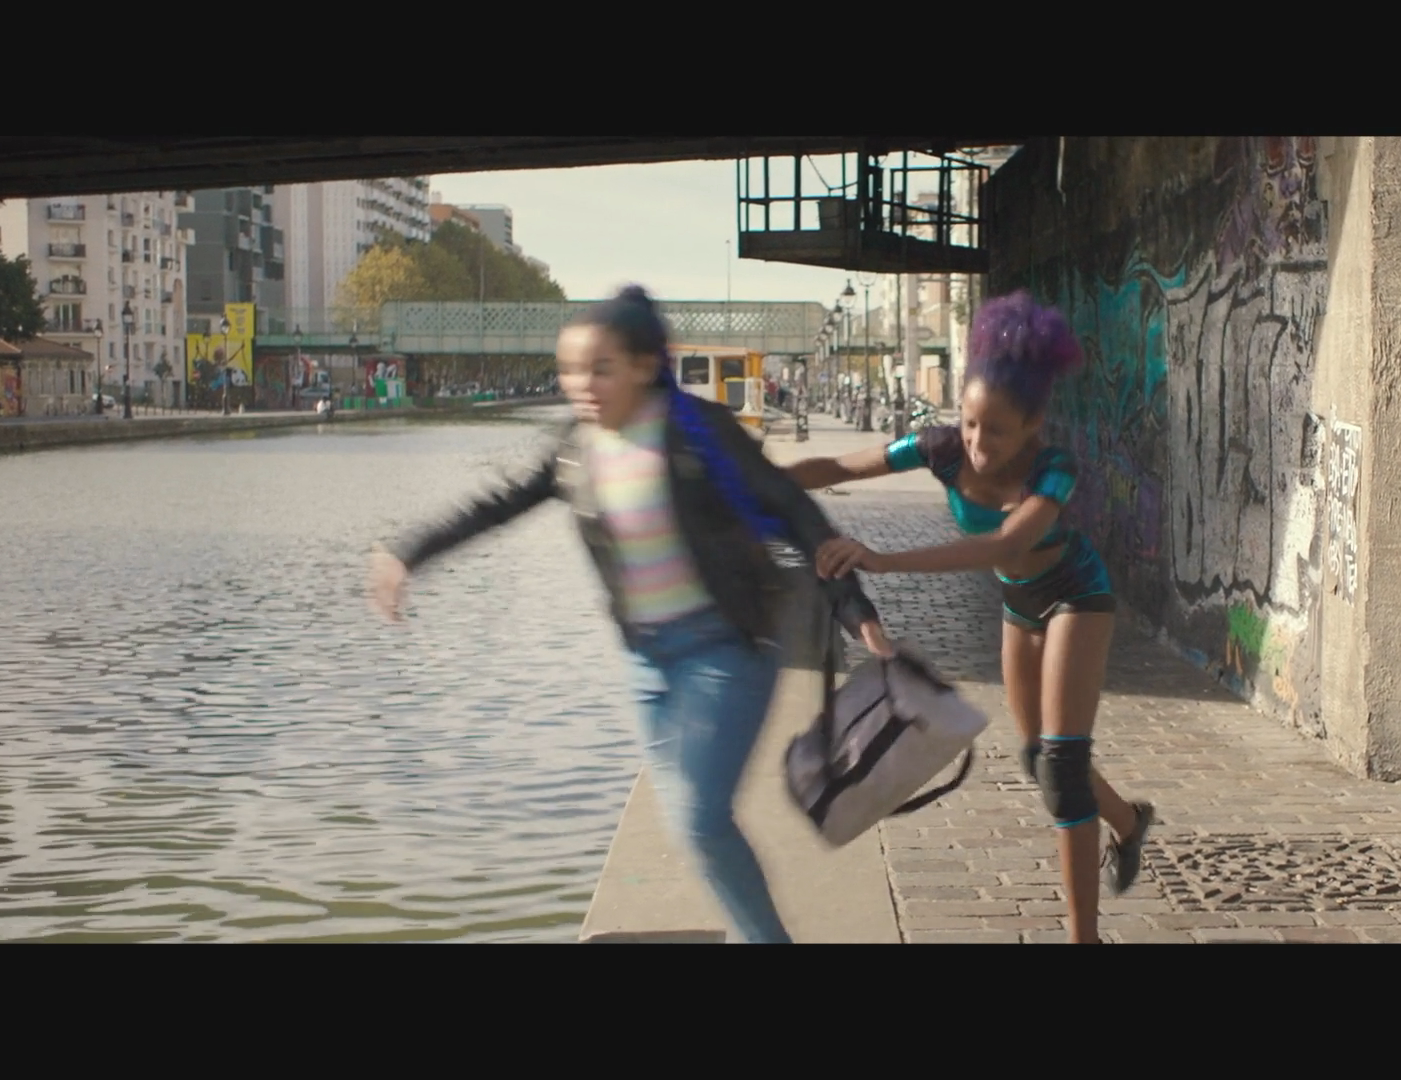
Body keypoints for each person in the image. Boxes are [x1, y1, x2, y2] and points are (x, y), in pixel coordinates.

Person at [367, 285, 897, 945]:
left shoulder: (700, 431)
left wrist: (853, 607)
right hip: (646, 661)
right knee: (691, 821)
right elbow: (499, 504)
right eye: (570, 370)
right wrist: (410, 552)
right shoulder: (576, 447)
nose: (581, 385)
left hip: (729, 648)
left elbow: (792, 510)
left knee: (700, 822)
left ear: (645, 366)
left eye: (600, 368)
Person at [783, 290, 1154, 945]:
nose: (978, 443)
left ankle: (1084, 938)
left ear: (1032, 424)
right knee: (1038, 758)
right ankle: (1127, 821)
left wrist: (884, 560)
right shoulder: (941, 449)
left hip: (1075, 595)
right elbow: (840, 465)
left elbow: (1004, 544)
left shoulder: (1054, 469)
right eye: (971, 423)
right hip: (1020, 603)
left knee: (1063, 768)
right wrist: (756, 478)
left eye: (997, 431)